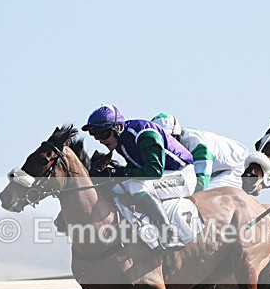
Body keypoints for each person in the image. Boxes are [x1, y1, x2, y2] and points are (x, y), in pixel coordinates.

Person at [82, 104, 196, 249]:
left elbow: (154, 172)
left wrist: (117, 173)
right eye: (96, 136)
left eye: (103, 134)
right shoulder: (121, 141)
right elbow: (135, 169)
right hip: (166, 174)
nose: (101, 140)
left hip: (183, 176)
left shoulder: (144, 134)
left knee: (136, 186)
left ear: (117, 128)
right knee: (116, 187)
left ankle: (169, 233)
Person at [151, 113, 249, 192]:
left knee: (206, 196)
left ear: (175, 136)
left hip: (236, 167)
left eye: (166, 139)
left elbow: (201, 182)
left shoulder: (196, 144)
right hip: (214, 167)